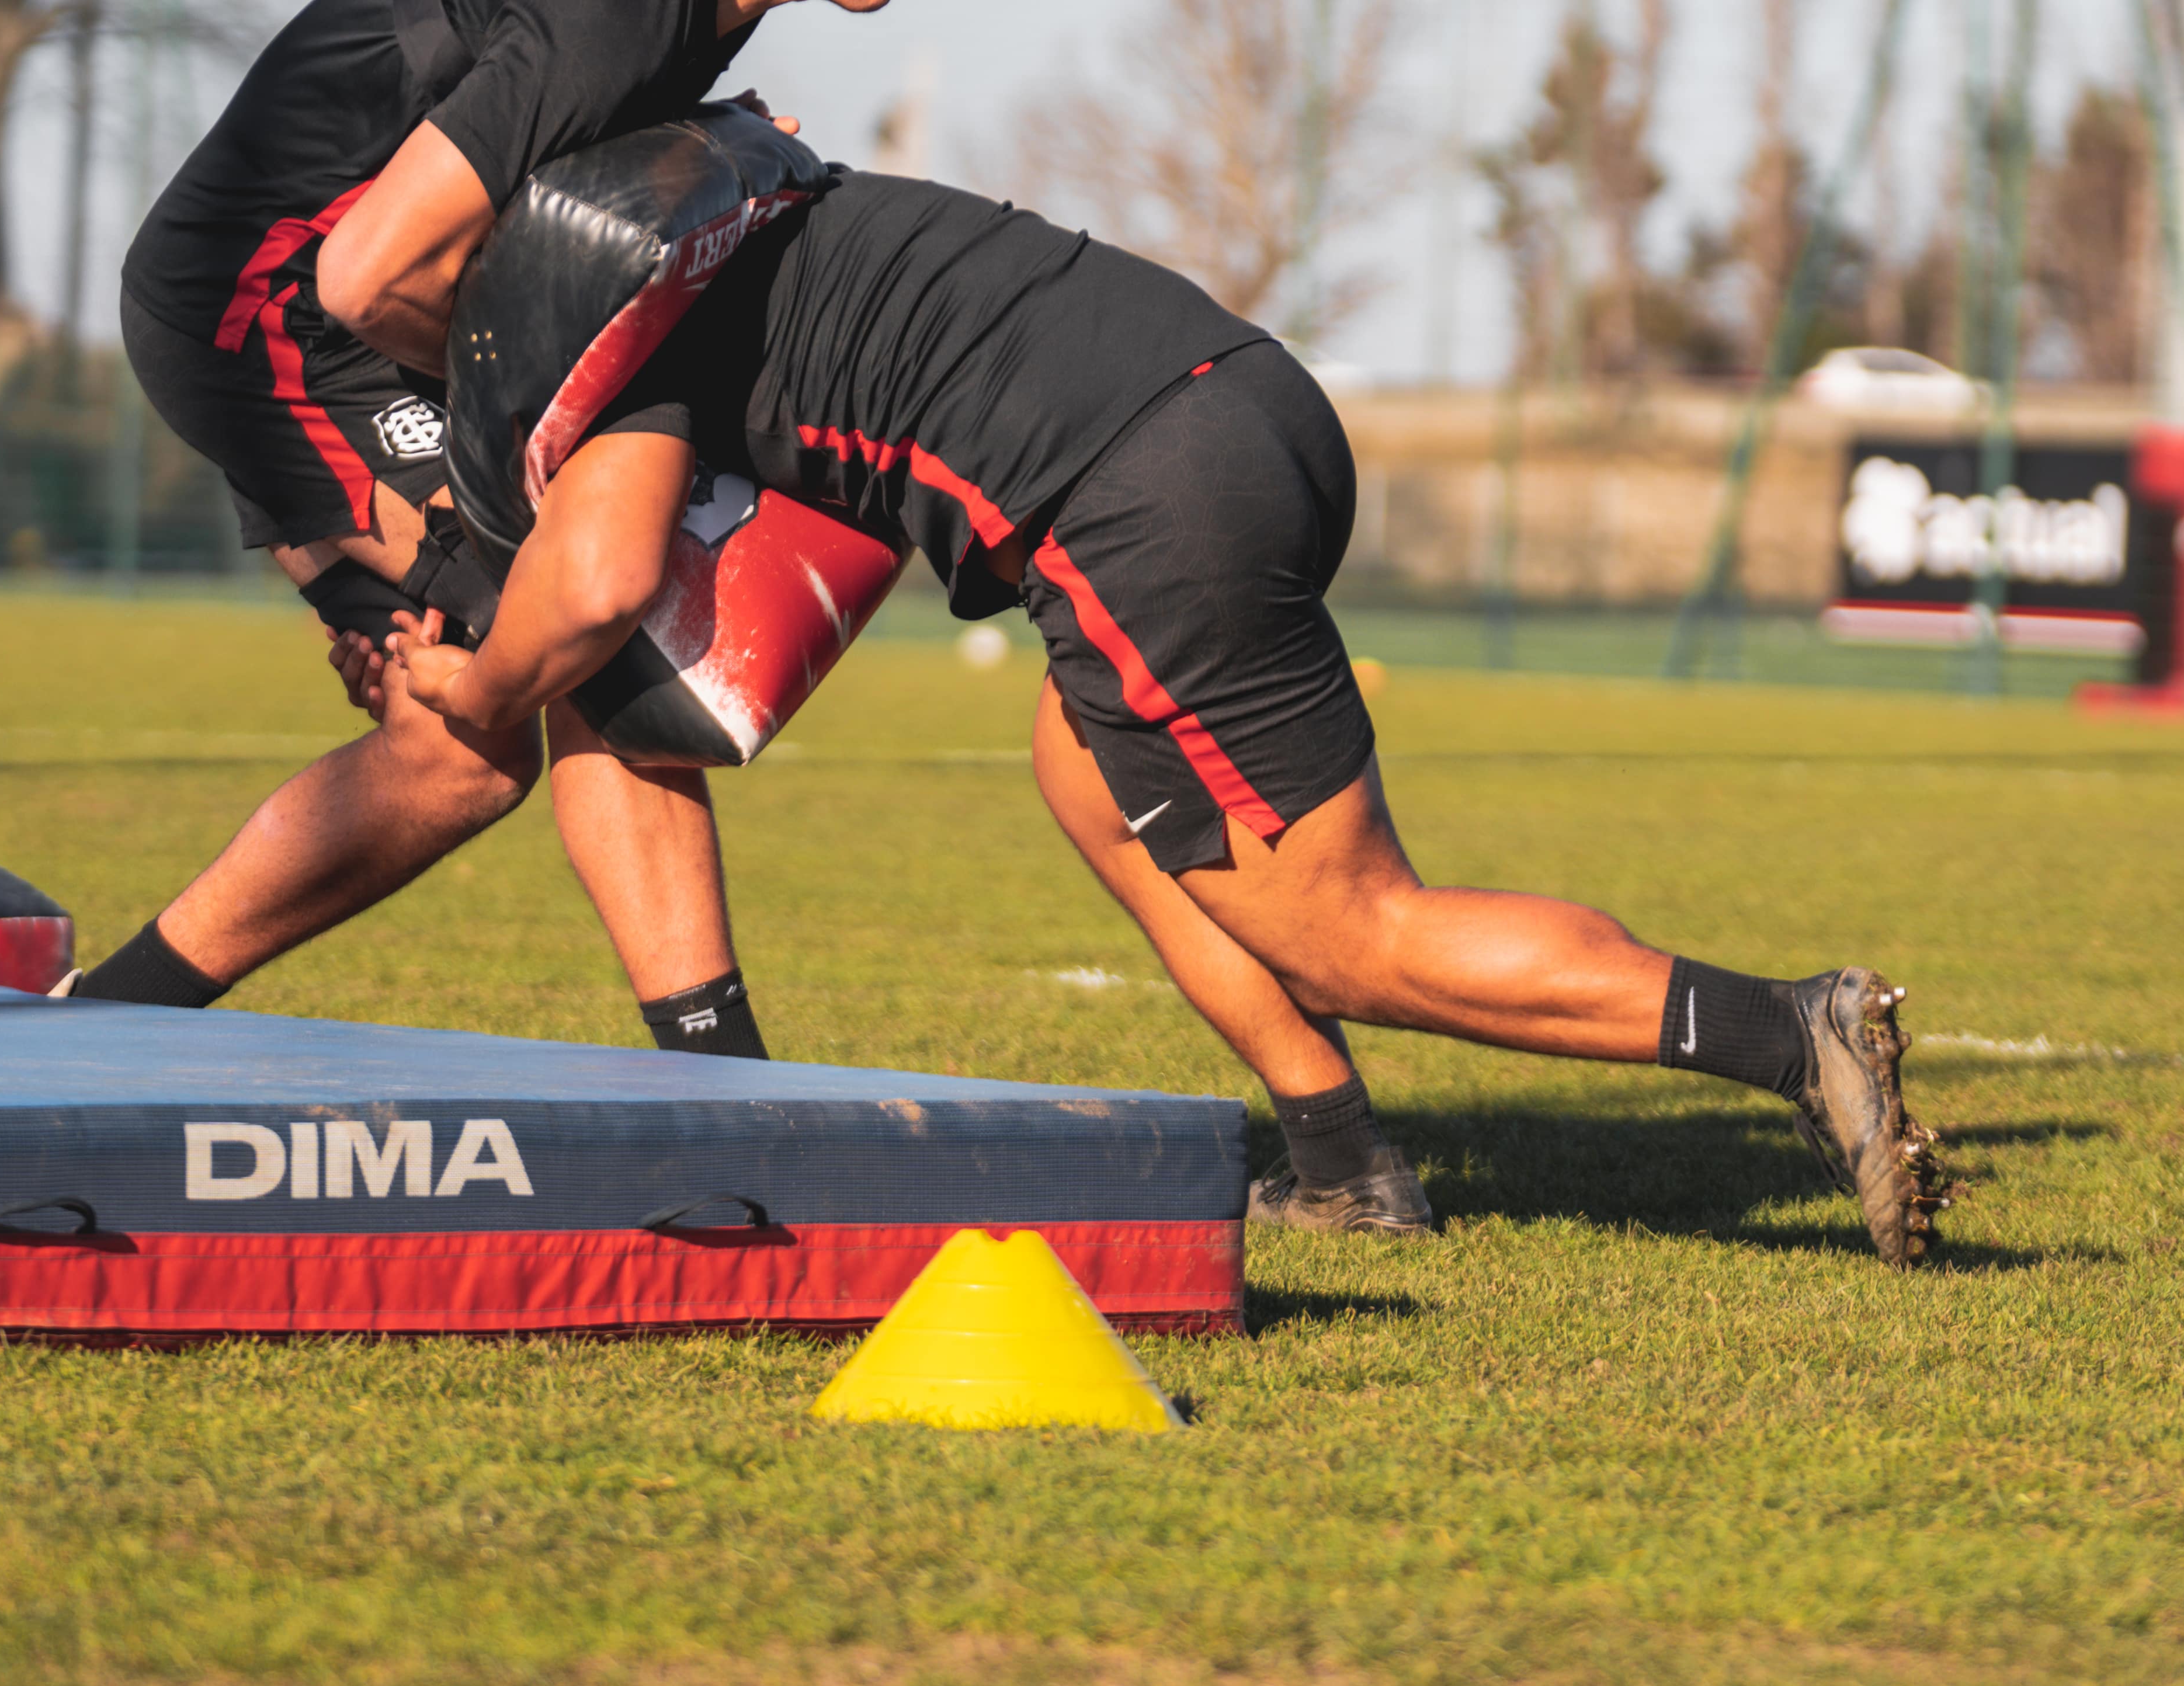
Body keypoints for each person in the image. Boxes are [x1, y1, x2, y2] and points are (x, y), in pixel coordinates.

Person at [382, 169, 1958, 1266]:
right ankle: (1343, 1163)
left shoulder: (618, 326)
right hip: (1244, 400)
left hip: (1135, 494)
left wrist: (477, 694)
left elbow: (593, 597)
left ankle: (1787, 1030)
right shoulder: (745, 198)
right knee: (1085, 771)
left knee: (1352, 928)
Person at [72, 0, 971, 1051]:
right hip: (269, 318)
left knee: (571, 655)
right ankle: (103, 1022)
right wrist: (555, 429)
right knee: (484, 728)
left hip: (345, 307)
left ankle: (720, 1079)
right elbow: (363, 274)